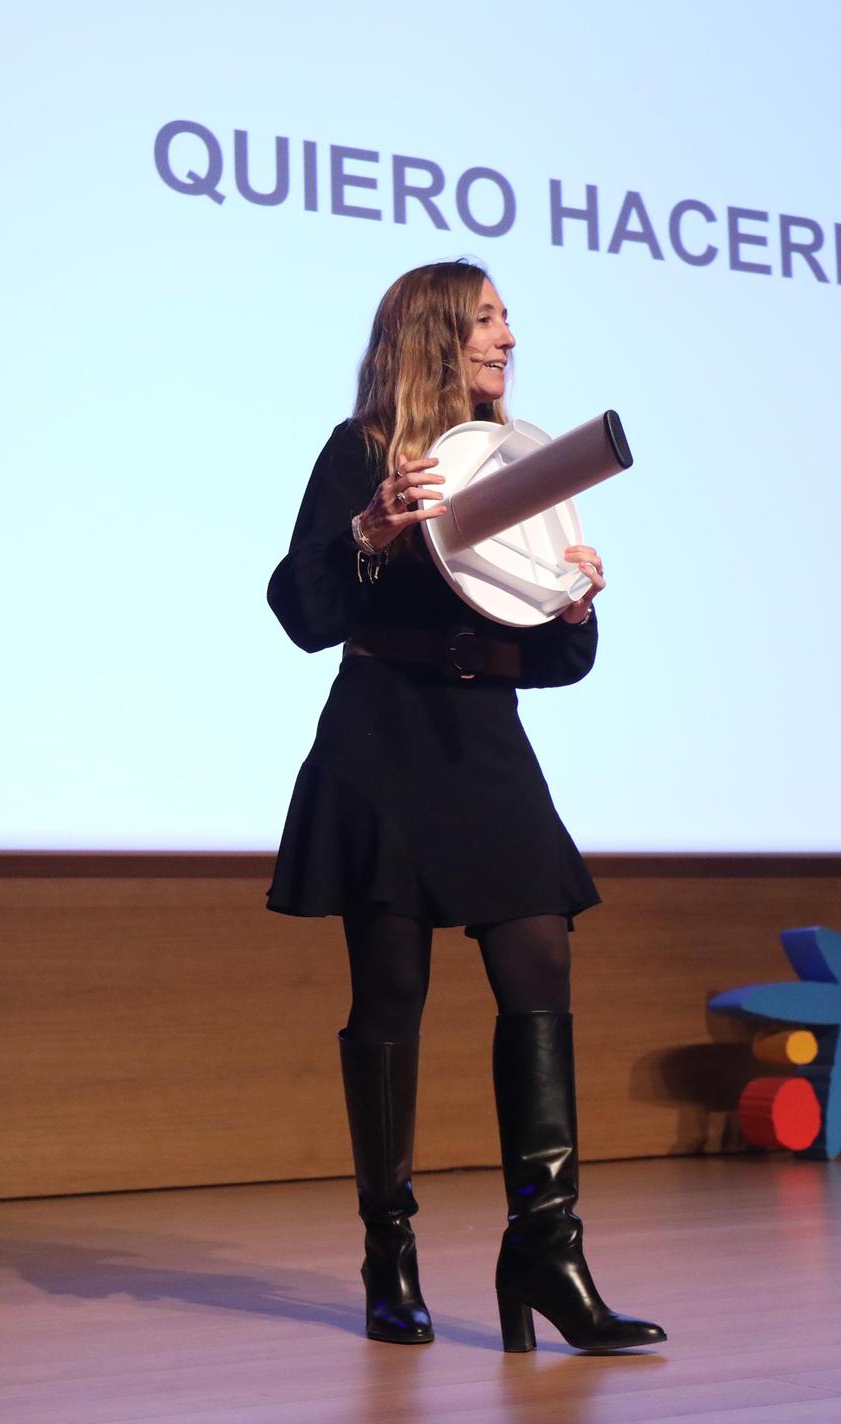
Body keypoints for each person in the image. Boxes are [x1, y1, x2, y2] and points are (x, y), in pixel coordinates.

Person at [266, 258, 665, 1355]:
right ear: (438, 331)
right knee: (390, 991)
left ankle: (546, 1245)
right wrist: (369, 531)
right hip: (381, 738)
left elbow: (548, 660)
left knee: (538, 952)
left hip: (485, 737)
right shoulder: (361, 452)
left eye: (505, 320)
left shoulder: (518, 463)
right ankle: (387, 1250)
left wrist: (573, 606)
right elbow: (298, 611)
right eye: (489, 319)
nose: (508, 337)